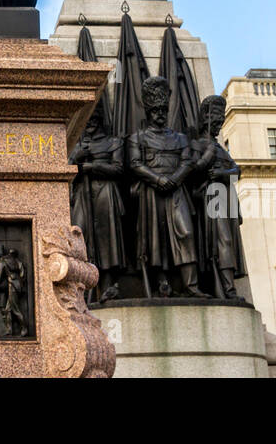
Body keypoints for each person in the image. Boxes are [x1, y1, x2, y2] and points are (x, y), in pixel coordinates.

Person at [127, 76, 214, 298]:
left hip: (176, 190)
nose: (160, 115)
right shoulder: (137, 138)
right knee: (156, 238)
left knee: (185, 232)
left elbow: (187, 162)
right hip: (151, 191)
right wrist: (157, 179)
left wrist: (174, 179)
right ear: (148, 111)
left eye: (163, 111)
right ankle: (162, 283)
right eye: (155, 111)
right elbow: (135, 164)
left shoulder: (180, 138)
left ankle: (191, 285)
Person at [68, 101, 126, 301]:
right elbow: (64, 172)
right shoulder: (77, 145)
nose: (91, 123)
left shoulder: (113, 142)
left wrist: (92, 167)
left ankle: (108, 284)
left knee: (107, 239)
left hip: (106, 193)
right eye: (88, 119)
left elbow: (119, 168)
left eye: (94, 119)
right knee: (81, 236)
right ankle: (82, 286)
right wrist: (76, 158)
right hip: (83, 193)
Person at [192, 95, 248, 300]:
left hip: (226, 199)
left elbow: (237, 170)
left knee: (229, 243)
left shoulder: (220, 148)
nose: (218, 126)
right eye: (215, 122)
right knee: (221, 241)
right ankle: (227, 289)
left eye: (220, 123)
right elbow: (194, 170)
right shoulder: (198, 146)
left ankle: (227, 286)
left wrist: (223, 174)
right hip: (212, 197)